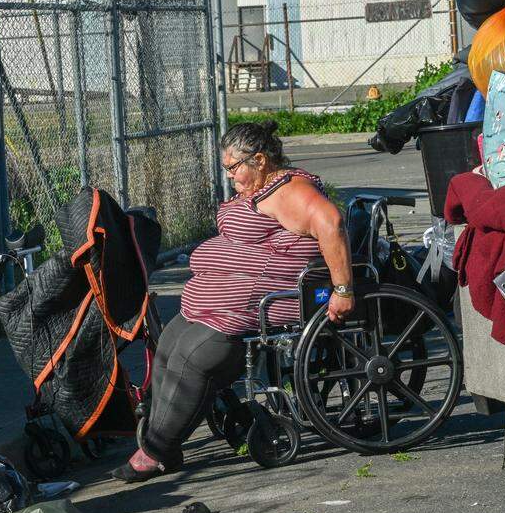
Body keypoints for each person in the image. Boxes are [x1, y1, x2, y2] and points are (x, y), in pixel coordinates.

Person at [113, 121, 353, 482]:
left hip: (265, 301)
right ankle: (158, 443)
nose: (231, 177)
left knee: (194, 358)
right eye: (226, 168)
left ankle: (158, 450)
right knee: (170, 344)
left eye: (234, 168)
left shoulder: (291, 191)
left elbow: (331, 222)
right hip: (222, 303)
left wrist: (343, 290)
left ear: (260, 159)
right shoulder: (266, 186)